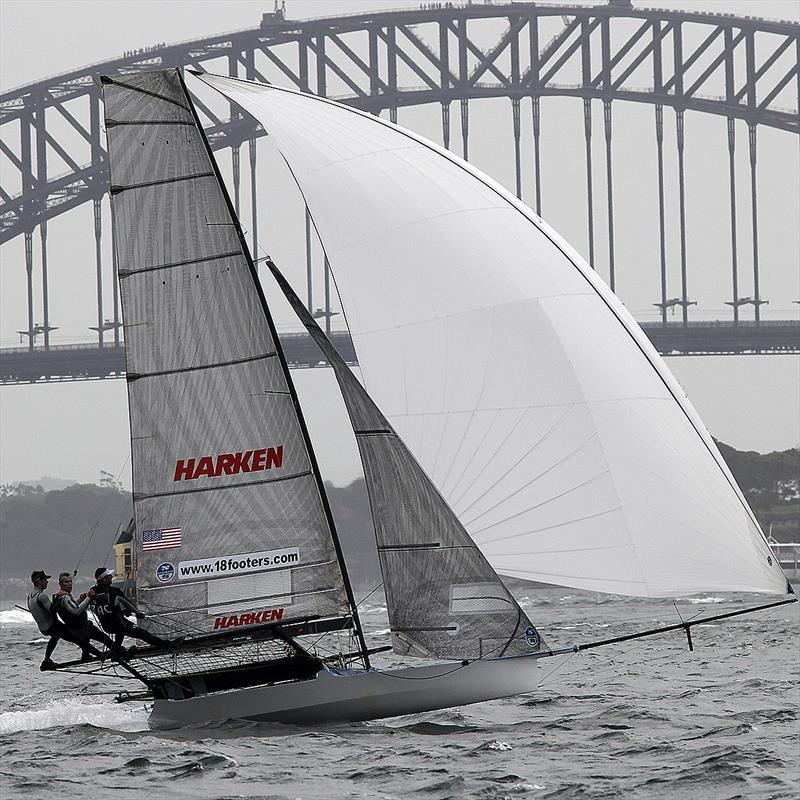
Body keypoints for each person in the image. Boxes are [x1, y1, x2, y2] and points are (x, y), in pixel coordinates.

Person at [90, 567, 176, 650]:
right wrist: (138, 613)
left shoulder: (92, 592)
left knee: (119, 632)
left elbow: (106, 609)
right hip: (120, 625)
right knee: (143, 634)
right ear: (104, 579)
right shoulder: (114, 591)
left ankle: (117, 651)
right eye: (109, 576)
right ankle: (167, 645)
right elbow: (127, 604)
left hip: (107, 627)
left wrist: (122, 612)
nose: (111, 577)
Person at [52, 572, 126, 662]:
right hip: (80, 628)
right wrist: (88, 598)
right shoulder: (64, 597)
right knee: (105, 639)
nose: (69, 584)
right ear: (60, 584)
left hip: (76, 628)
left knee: (90, 635)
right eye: (66, 582)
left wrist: (80, 600)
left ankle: (86, 655)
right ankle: (122, 653)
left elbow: (71, 607)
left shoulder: (58, 596)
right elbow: (76, 611)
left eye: (70, 582)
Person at [26, 570, 68, 671]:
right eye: (45, 580)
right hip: (52, 626)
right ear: (39, 581)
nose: (47, 582)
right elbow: (52, 609)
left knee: (57, 635)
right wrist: (58, 597)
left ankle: (47, 659)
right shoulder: (41, 596)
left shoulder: (29, 597)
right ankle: (88, 653)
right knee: (75, 633)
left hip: (43, 628)